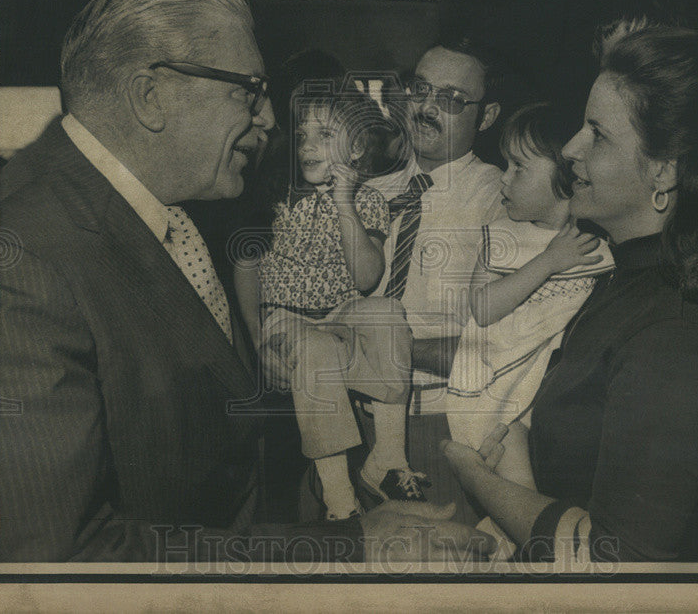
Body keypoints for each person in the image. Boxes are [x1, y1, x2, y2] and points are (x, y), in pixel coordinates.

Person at [0, 0, 495, 563]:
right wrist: (342, 543)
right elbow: (60, 557)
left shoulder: (171, 216)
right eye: (248, 90)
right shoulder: (23, 259)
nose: (269, 121)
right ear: (150, 97)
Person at [443, 18, 698, 562]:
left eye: (597, 134)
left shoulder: (681, 334)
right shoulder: (633, 279)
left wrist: (476, 477)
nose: (571, 149)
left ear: (665, 172)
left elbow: (616, 560)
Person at [234, 90, 427, 520]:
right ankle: (338, 494)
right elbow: (246, 266)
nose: (306, 145)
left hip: (341, 313)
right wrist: (256, 336)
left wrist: (345, 205)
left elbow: (366, 279)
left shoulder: (368, 201)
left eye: (324, 134)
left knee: (387, 313)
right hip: (287, 316)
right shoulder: (276, 196)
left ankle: (388, 458)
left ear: (356, 148)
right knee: (317, 353)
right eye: (302, 134)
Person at [343, 37, 508, 523]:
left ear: (488, 115)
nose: (428, 108)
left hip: (445, 426)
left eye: (453, 100)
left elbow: (498, 345)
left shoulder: (503, 198)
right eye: (421, 89)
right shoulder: (368, 193)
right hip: (353, 422)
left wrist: (384, 347)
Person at [445, 103, 613, 489]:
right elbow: (483, 309)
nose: (504, 179)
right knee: (518, 491)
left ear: (566, 176)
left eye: (519, 167)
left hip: (556, 402)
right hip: (498, 398)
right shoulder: (501, 236)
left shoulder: (596, 243)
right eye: (506, 165)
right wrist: (548, 262)